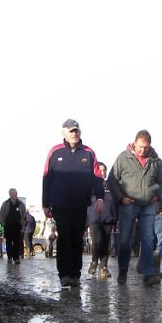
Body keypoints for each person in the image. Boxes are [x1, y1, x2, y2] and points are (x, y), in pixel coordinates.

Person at [42, 118, 105, 287]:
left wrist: (100, 198)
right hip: (60, 204)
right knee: (64, 238)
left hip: (80, 204)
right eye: (71, 131)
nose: (74, 133)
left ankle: (75, 274)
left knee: (77, 238)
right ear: (64, 133)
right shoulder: (55, 152)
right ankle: (64, 274)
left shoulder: (88, 153)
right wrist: (45, 204)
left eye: (76, 130)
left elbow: (97, 177)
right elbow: (47, 178)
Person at [108, 129, 162, 287]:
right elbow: (111, 180)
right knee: (125, 239)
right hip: (129, 203)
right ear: (135, 143)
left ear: (150, 145)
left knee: (148, 238)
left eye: (146, 147)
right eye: (140, 147)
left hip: (148, 204)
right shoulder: (123, 157)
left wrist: (158, 195)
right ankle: (123, 270)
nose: (143, 150)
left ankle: (148, 273)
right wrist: (121, 198)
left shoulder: (156, 161)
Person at [87, 162, 117, 279]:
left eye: (104, 170)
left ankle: (104, 267)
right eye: (100, 170)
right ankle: (94, 261)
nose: (102, 172)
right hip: (94, 216)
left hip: (109, 216)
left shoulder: (111, 184)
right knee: (97, 241)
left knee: (106, 243)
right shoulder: (90, 184)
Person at [0, 188, 27, 264]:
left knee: (16, 242)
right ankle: (9, 257)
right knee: (8, 241)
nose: (15, 194)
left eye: (16, 193)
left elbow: (24, 214)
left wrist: (22, 223)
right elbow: (1, 214)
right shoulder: (5, 203)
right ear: (10, 194)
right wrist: (3, 223)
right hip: (8, 225)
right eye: (13, 193)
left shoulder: (20, 204)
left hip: (17, 225)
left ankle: (16, 258)